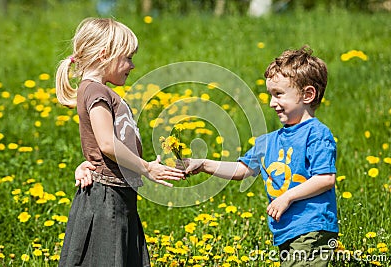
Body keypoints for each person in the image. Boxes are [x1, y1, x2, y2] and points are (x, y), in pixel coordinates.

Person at [184, 46, 338, 266]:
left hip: (313, 228)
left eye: (279, 94)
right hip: (286, 231)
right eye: (270, 95)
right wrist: (204, 164)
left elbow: (325, 179)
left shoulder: (316, 134)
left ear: (307, 94)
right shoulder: (268, 141)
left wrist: (287, 197)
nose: (272, 103)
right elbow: (243, 170)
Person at [55, 17, 184, 267]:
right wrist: (146, 168)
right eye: (128, 58)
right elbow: (106, 143)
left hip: (116, 195)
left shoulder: (97, 90)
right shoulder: (96, 91)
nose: (132, 65)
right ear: (105, 55)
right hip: (106, 199)